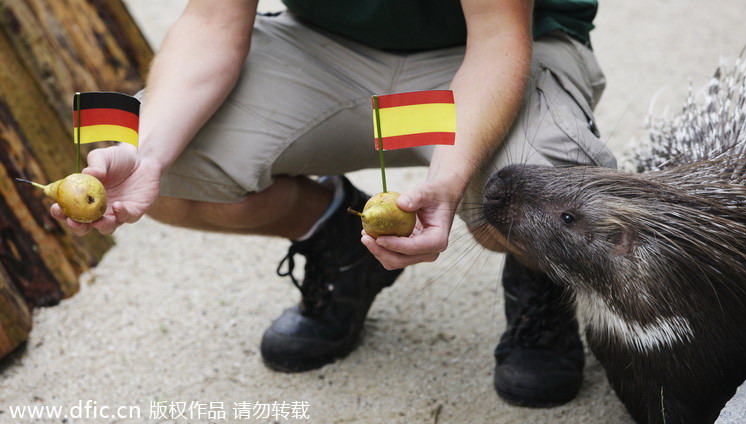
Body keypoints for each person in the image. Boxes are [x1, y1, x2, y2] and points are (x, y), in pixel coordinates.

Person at [55, 0, 615, 407]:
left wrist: (446, 182)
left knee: (535, 196)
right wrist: (148, 154)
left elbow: (497, 40)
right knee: (174, 171)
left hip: (496, 49)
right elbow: (210, 21)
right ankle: (342, 245)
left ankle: (538, 284)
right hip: (326, 50)